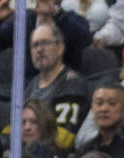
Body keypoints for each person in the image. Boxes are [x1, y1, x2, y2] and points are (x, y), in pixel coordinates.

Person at [23, 23, 90, 151]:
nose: (39, 50)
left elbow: (63, 139)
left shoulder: (73, 84)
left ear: (60, 48)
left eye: (45, 43)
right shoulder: (32, 85)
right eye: (35, 45)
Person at [0, 0, 92, 75]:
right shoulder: (24, 21)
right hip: (29, 89)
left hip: (63, 87)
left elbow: (85, 39)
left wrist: (56, 14)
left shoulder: (69, 19)